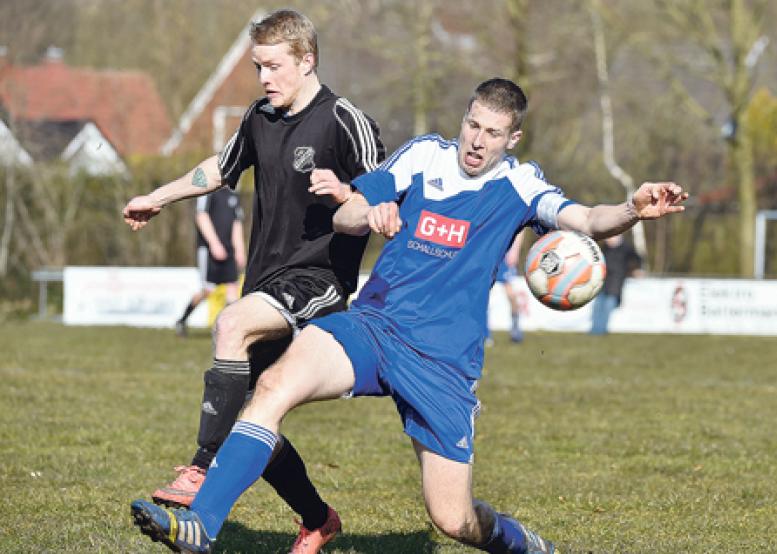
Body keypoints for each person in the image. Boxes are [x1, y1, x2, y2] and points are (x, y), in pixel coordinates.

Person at [130, 78, 687, 554]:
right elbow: (347, 212)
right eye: (473, 124)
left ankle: (518, 542)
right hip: (374, 327)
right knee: (272, 383)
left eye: (492, 133)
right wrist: (368, 209)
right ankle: (201, 524)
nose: (477, 140)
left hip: (442, 363)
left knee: (454, 520)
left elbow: (586, 219)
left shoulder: (519, 185)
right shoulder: (424, 155)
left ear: (512, 139)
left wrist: (633, 209)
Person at [122, 8, 384, 553]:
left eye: (272, 66)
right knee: (254, 420)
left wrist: (352, 197)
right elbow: (219, 168)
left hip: (319, 280)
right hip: (266, 279)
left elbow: (387, 193)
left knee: (231, 324)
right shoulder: (259, 117)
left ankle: (200, 468)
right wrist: (159, 198)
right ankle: (318, 519)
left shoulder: (343, 119)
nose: (264, 78)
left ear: (306, 60)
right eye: (257, 67)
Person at [175, 186, 246, 337]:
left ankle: (229, 330)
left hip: (229, 249)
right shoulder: (209, 191)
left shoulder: (233, 194)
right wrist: (214, 243)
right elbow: (201, 216)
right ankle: (182, 320)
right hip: (209, 249)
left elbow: (236, 223)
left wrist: (239, 249)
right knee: (208, 290)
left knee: (232, 287)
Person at [589, 233, 642, 335]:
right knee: (597, 308)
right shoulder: (604, 249)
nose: (608, 240)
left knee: (607, 309)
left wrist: (636, 269)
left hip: (615, 285)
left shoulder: (626, 248)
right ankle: (594, 331)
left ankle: (601, 332)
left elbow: (637, 259)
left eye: (610, 237)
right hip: (601, 284)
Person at [488, 232, 525, 345]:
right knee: (483, 295)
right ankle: (485, 334)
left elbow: (521, 229)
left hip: (505, 254)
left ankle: (515, 327)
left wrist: (515, 250)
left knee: (511, 294)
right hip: (490, 250)